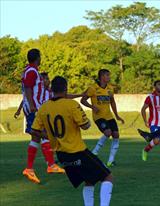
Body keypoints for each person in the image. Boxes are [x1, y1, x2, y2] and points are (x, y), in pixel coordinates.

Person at [31, 76, 113, 206]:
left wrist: (49, 136)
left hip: (61, 155)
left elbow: (34, 130)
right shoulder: (72, 104)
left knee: (89, 180)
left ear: (52, 89)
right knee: (107, 176)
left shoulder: (44, 108)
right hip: (77, 151)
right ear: (65, 89)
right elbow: (85, 125)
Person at [21, 49, 64, 184]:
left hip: (36, 107)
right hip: (34, 108)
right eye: (40, 56)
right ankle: (46, 165)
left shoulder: (31, 70)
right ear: (37, 58)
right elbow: (28, 88)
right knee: (42, 134)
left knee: (39, 137)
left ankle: (47, 166)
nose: (41, 59)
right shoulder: (32, 71)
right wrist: (33, 104)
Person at [81, 69, 124, 167]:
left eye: (109, 75)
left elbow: (112, 102)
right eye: (107, 75)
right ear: (101, 77)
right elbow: (82, 100)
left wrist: (117, 115)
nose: (109, 77)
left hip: (109, 116)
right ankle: (94, 153)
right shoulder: (93, 88)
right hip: (98, 117)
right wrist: (92, 107)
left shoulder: (110, 88)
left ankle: (110, 161)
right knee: (108, 132)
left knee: (116, 135)